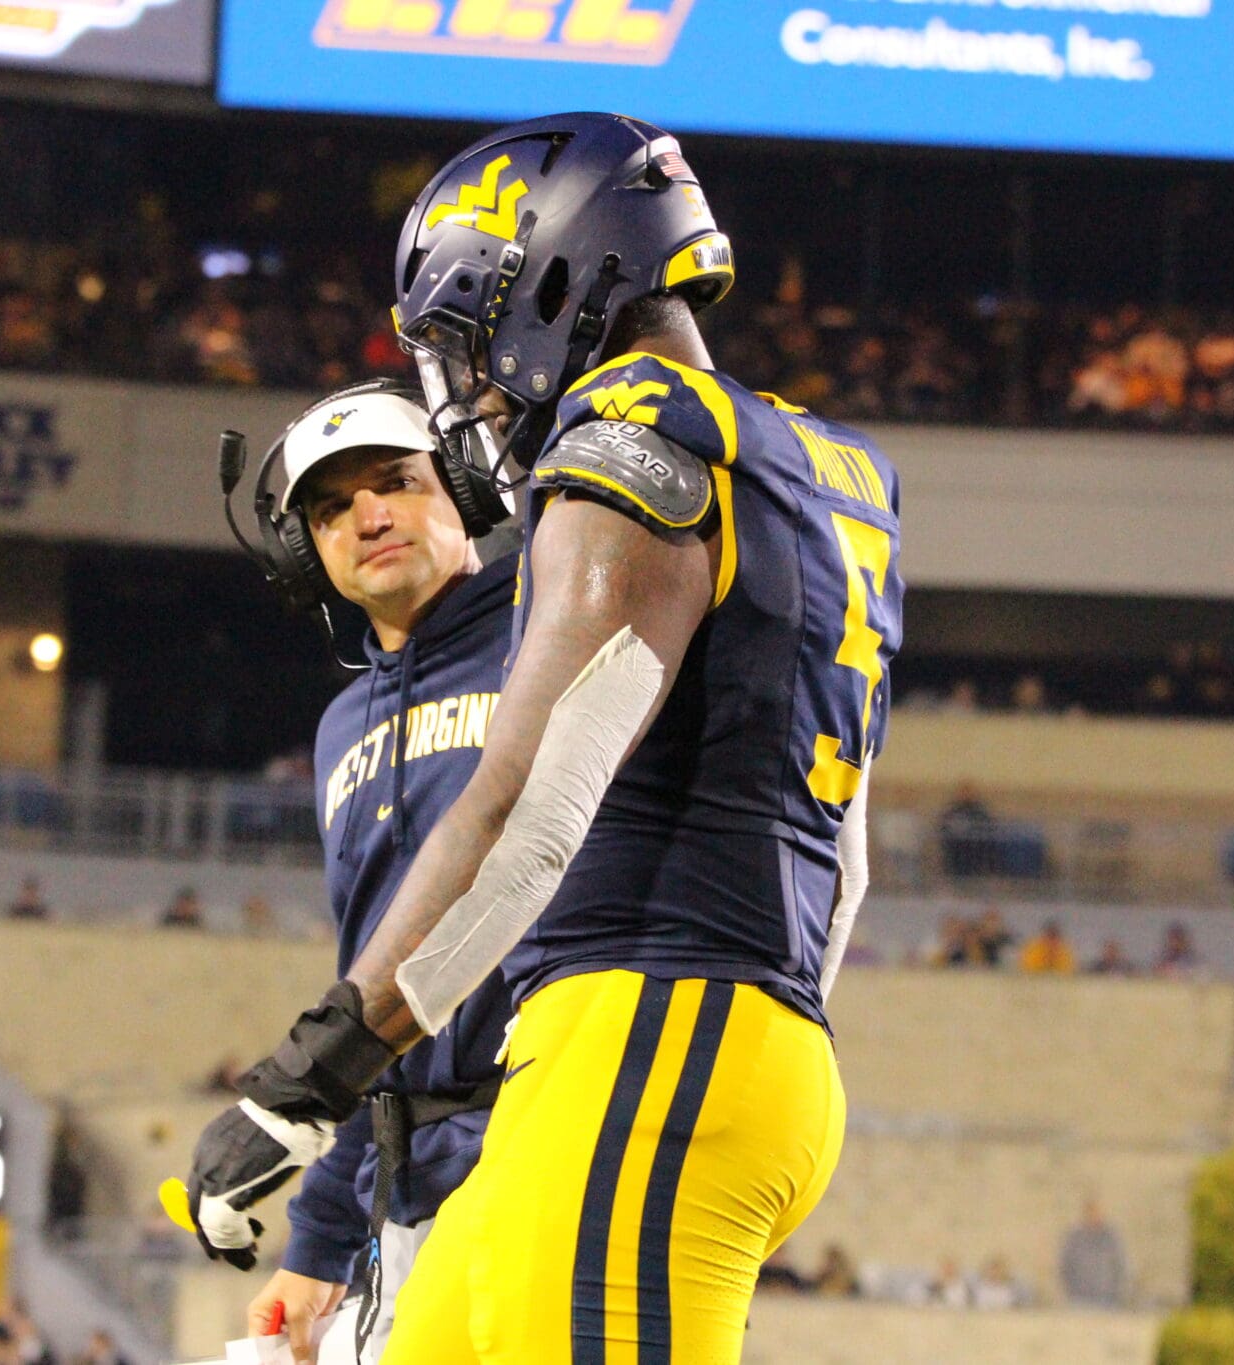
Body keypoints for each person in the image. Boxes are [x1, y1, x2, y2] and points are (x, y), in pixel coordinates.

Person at [182, 113, 900, 1363]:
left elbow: (527, 808)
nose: (463, 383)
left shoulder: (628, 431)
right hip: (678, 1039)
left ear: (550, 277)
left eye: (457, 336)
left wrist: (303, 1085)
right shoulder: (823, 465)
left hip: (651, 1025)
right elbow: (847, 859)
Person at [231, 383, 519, 1365]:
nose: (369, 515)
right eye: (329, 508)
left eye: (395, 480)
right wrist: (317, 1242)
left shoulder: (552, 627)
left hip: (548, 1135)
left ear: (468, 487)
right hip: (410, 1183)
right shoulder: (339, 728)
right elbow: (372, 989)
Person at [1059, 1199, 1128, 1307]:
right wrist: (1072, 1291)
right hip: (1080, 1301)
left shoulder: (1111, 1238)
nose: (1094, 1217)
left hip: (1108, 1300)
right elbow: (1065, 1267)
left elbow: (1121, 1266)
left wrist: (1118, 1292)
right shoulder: (1075, 1239)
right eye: (1090, 1213)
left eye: (1097, 1213)